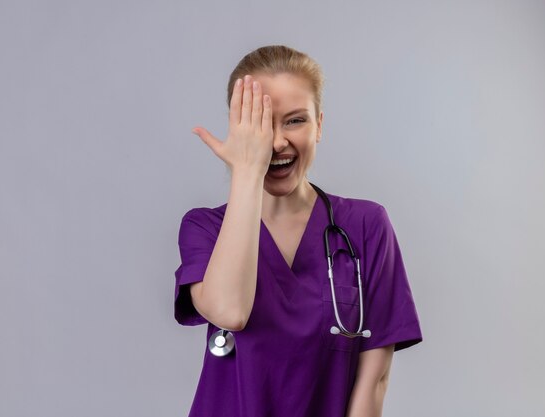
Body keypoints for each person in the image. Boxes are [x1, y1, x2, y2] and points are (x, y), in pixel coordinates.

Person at [174, 45, 423, 417]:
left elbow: (374, 379)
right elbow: (230, 312)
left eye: (294, 121)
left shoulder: (366, 226)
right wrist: (246, 171)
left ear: (319, 125)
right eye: (261, 124)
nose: (276, 142)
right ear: (239, 130)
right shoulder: (204, 228)